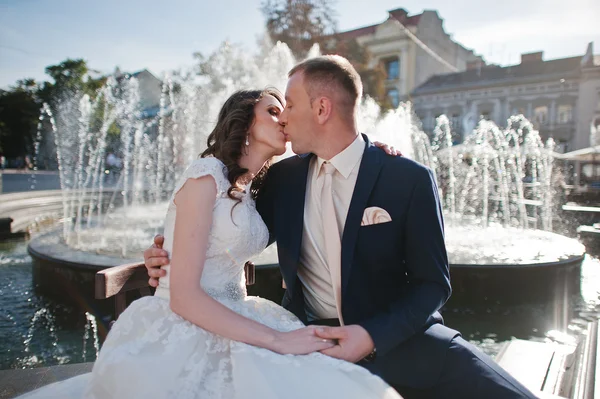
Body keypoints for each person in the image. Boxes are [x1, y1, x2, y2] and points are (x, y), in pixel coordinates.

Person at [146, 55, 538, 399]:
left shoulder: (407, 179)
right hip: (309, 340)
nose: (282, 116)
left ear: (321, 109)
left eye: (290, 104)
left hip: (399, 339)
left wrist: (369, 336)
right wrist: (164, 250)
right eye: (275, 109)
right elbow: (225, 224)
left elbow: (433, 285)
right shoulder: (283, 179)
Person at [17, 88, 402, 399]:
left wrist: (369, 152)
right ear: (243, 121)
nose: (283, 118)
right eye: (272, 111)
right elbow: (183, 296)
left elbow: (335, 157)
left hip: (238, 312)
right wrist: (277, 340)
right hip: (185, 320)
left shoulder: (256, 188)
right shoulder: (206, 177)